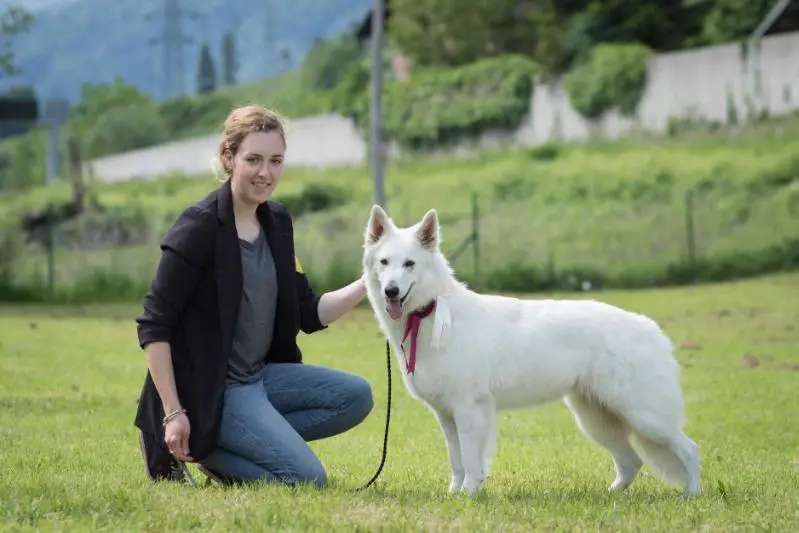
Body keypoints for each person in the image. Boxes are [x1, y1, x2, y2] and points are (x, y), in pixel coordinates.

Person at [134, 104, 373, 487]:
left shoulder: (277, 222)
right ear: (228, 158)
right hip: (215, 389)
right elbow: (154, 326)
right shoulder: (199, 227)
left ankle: (214, 450)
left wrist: (369, 283)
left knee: (357, 397)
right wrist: (173, 412)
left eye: (276, 161)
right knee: (308, 480)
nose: (266, 172)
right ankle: (201, 439)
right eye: (254, 159)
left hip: (260, 380)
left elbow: (307, 312)